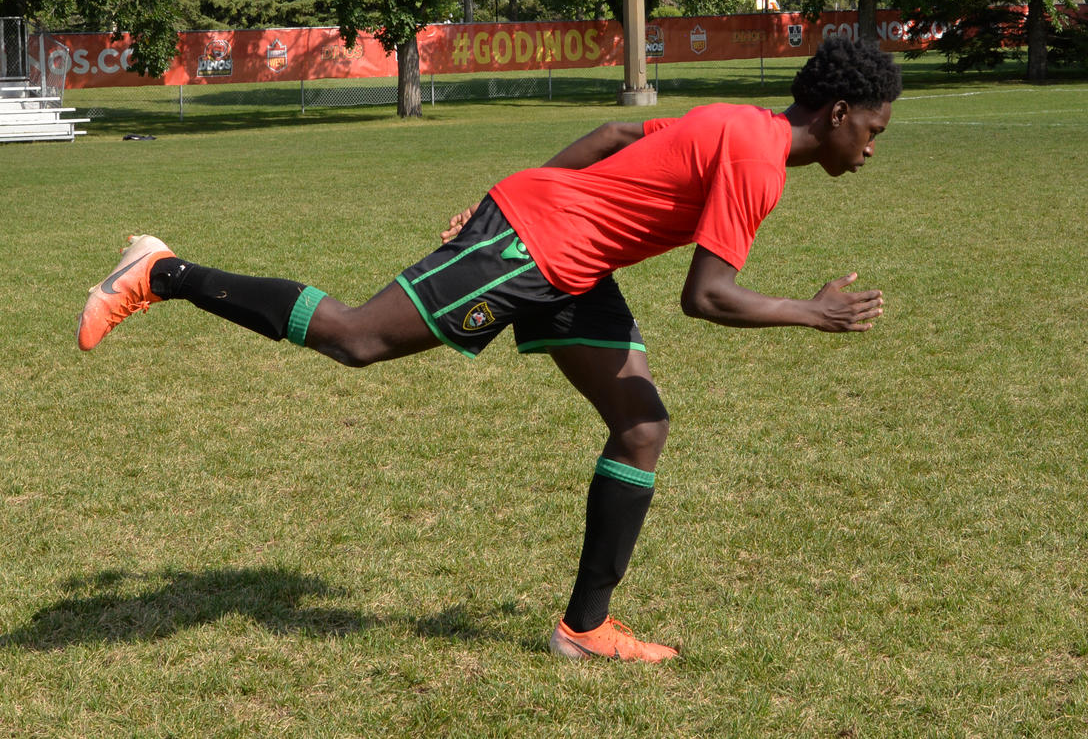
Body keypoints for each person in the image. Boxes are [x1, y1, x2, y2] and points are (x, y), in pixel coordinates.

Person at [77, 37, 902, 663]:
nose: (871, 148)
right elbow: (707, 297)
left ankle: (585, 629)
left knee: (641, 425)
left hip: (568, 259)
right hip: (534, 250)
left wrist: (512, 196)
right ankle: (162, 271)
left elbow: (617, 132)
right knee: (358, 339)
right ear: (838, 113)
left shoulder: (742, 124)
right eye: (873, 129)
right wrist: (813, 312)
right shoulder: (760, 161)